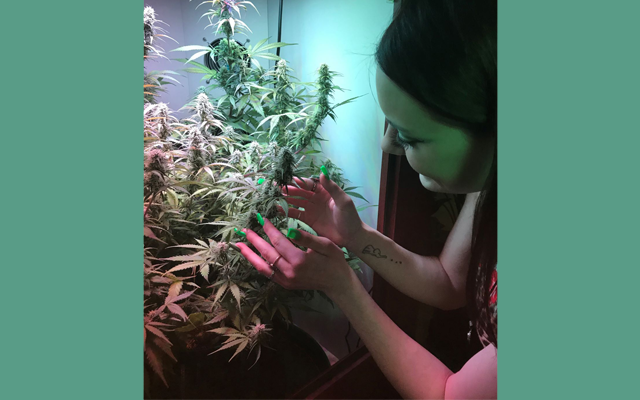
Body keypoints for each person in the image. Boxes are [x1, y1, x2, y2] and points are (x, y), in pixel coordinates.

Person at [235, 0, 497, 398]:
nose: (387, 145)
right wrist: (355, 236)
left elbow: (448, 394)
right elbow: (448, 282)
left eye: (409, 136)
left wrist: (341, 285)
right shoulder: (490, 189)